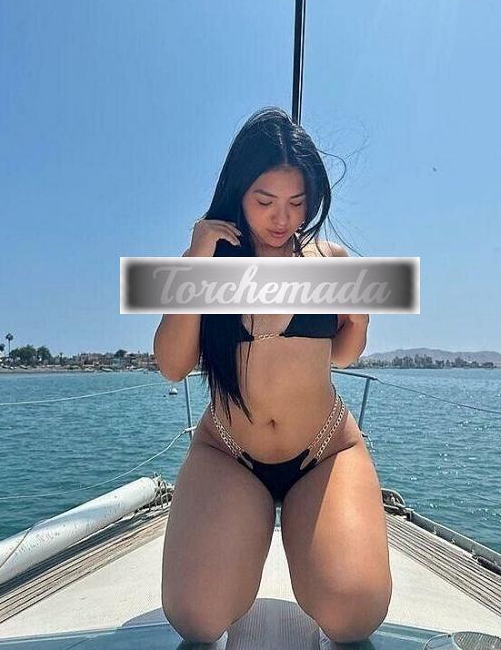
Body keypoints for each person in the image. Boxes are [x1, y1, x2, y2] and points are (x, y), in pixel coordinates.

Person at [154, 106, 392, 645]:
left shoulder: (329, 260)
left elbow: (344, 355)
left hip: (324, 450)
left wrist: (359, 319)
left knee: (354, 614)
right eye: (264, 201)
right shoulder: (208, 261)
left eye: (296, 202)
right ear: (238, 193)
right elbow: (172, 364)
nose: (281, 218)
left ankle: (312, 543)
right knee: (196, 618)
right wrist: (195, 260)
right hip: (228, 452)